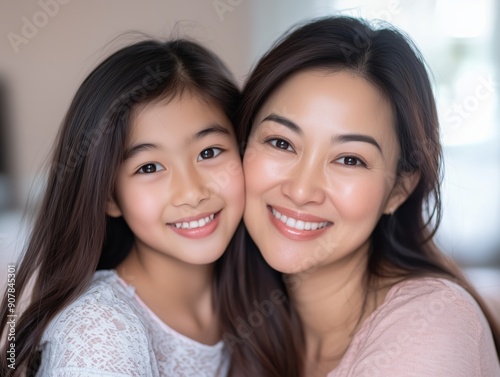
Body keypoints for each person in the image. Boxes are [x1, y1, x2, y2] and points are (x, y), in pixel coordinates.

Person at [219, 16, 500, 376]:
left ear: (398, 190)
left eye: (350, 159)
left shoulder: (432, 323)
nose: (302, 190)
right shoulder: (234, 321)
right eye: (281, 143)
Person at [0, 38, 245, 376]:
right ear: (110, 198)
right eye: (149, 167)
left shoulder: (259, 297)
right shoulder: (98, 332)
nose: (191, 192)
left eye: (209, 152)